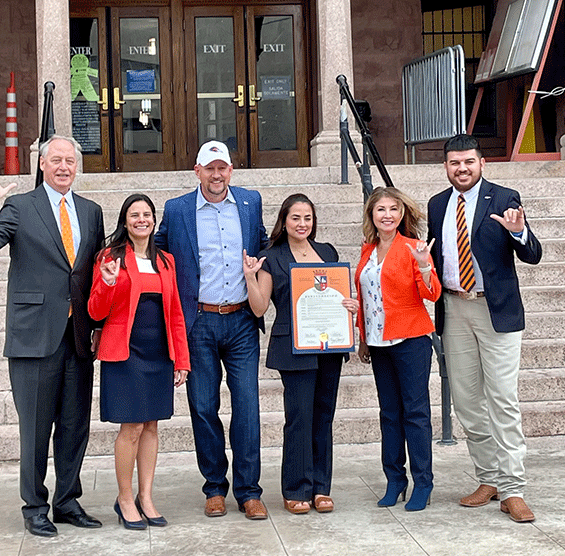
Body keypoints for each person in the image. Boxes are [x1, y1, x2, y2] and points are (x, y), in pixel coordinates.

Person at [0, 135, 105, 537]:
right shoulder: (20, 206)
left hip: (78, 335)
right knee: (35, 428)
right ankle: (34, 507)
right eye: (56, 160)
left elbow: (94, 272)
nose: (64, 166)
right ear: (42, 165)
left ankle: (66, 501)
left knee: (75, 424)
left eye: (70, 161)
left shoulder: (91, 211)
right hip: (33, 337)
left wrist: (99, 325)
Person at [427, 134, 542, 523]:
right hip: (453, 309)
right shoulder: (437, 204)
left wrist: (518, 232)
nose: (461, 169)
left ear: (482, 164)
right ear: (446, 166)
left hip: (495, 312)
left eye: (468, 162)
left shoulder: (505, 197)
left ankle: (513, 488)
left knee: (503, 400)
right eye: (454, 163)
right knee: (466, 402)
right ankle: (488, 477)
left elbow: (532, 255)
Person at [154, 140, 269, 520]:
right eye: (210, 168)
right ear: (197, 171)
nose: (217, 175)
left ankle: (249, 491)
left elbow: (269, 248)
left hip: (240, 322)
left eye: (223, 168)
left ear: (231, 171)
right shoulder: (177, 209)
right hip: (198, 321)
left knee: (248, 408)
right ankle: (215, 487)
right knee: (203, 407)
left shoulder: (251, 203)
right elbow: (154, 252)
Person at [244, 193, 356, 514]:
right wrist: (251, 277)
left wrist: (348, 305)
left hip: (330, 346)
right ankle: (296, 487)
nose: (302, 224)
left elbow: (337, 295)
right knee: (299, 419)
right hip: (294, 348)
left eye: (307, 218)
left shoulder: (327, 251)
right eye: (296, 218)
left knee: (323, 415)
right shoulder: (272, 256)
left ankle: (321, 487)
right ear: (284, 221)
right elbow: (259, 306)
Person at [88, 194, 190, 530]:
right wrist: (108, 281)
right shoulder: (110, 257)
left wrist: (181, 359)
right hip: (125, 352)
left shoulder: (166, 261)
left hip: (158, 352)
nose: (141, 220)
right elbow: (95, 311)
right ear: (125, 220)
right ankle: (125, 498)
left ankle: (146, 497)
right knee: (130, 427)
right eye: (135, 215)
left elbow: (175, 312)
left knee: (151, 426)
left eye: (147, 214)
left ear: (154, 220)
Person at [355, 186, 441, 512]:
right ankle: (395, 480)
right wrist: (363, 338)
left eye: (393, 209)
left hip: (411, 341)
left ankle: (423, 482)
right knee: (389, 414)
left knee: (415, 414)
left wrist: (422, 265)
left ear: (401, 214)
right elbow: (368, 300)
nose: (387, 215)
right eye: (381, 210)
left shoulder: (414, 248)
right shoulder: (367, 251)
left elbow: (431, 294)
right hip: (378, 343)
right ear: (372, 216)